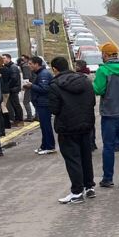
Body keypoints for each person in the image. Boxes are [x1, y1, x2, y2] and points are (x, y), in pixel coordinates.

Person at [47, 56, 96, 204]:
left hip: (67, 127)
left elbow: (54, 109)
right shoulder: (85, 80)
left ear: (55, 69)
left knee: (73, 159)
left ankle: (76, 192)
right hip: (86, 124)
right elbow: (92, 101)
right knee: (86, 156)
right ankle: (89, 187)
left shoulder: (54, 85)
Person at [93, 42, 119, 188]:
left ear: (105, 55)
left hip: (110, 113)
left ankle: (108, 178)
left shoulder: (103, 70)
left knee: (109, 146)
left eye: (102, 53)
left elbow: (98, 90)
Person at [29, 56, 55, 154]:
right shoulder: (40, 73)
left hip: (44, 103)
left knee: (46, 125)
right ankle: (44, 145)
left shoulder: (43, 74)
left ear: (37, 64)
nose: (29, 66)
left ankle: (49, 146)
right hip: (41, 103)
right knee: (43, 126)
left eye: (31, 64)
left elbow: (45, 89)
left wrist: (31, 86)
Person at [75, 59, 98, 151]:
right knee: (91, 124)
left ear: (79, 67)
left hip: (83, 103)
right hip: (90, 102)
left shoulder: (80, 77)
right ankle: (92, 143)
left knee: (85, 124)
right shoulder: (90, 75)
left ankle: (88, 144)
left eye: (76, 66)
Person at [1, 54, 23, 127]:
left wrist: (7, 86)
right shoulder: (8, 67)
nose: (3, 60)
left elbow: (14, 79)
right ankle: (16, 119)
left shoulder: (13, 67)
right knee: (14, 105)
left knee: (16, 105)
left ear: (9, 59)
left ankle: (19, 120)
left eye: (4, 58)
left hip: (13, 89)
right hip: (12, 88)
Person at [20, 55, 35, 122]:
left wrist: (25, 85)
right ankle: (36, 116)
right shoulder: (28, 66)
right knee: (33, 101)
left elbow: (27, 77)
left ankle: (29, 116)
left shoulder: (25, 66)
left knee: (26, 101)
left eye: (22, 60)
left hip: (30, 85)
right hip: (33, 85)